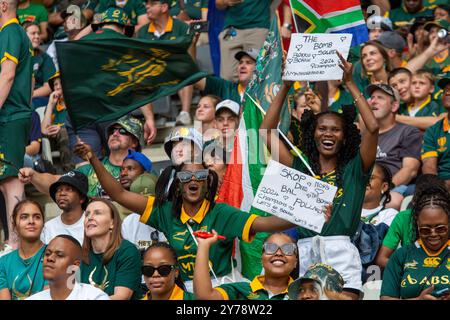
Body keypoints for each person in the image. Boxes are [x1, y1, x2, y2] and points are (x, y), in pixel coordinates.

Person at [73, 142, 303, 291]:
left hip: (219, 290)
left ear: (207, 181)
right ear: (178, 183)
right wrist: (93, 158)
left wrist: (307, 216)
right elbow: (118, 193)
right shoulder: (164, 211)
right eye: (186, 175)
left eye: (200, 175)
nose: (193, 180)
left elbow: (266, 223)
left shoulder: (222, 213)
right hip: (181, 292)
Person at [260, 52, 379, 299]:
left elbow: (373, 127)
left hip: (342, 253)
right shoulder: (300, 167)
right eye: (322, 128)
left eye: (336, 130)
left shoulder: (355, 169)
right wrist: (285, 84)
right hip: (306, 254)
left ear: (345, 136)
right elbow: (266, 131)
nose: (328, 134)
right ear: (312, 134)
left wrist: (349, 82)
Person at [19, 114, 143, 199]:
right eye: (112, 131)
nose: (115, 134)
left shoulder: (142, 172)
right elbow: (55, 181)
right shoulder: (89, 169)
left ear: (134, 142)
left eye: (122, 131)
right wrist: (33, 175)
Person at [0, 0, 34, 249]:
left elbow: (8, 74)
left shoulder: (10, 30)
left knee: (10, 182)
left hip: (9, 114)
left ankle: (15, 244)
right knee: (6, 182)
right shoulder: (16, 32)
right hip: (14, 113)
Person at [380, 185, 450, 300]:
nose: (433, 234)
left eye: (440, 228)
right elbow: (386, 298)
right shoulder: (401, 255)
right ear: (417, 225)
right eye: (425, 229)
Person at [137, 0, 195, 126]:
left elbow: (189, 58)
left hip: (175, 70)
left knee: (186, 72)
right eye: (147, 4)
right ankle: (150, 120)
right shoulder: (142, 32)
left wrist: (193, 42)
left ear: (164, 7)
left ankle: (184, 113)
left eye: (152, 4)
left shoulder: (181, 27)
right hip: (152, 72)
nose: (147, 7)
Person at [194, 232, 297, 300]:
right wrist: (204, 245)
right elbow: (205, 296)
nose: (278, 253)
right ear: (261, 258)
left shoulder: (305, 293)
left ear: (295, 261)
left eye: (288, 249)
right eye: (270, 248)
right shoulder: (240, 290)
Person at [375, 174, 445, 269]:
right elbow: (381, 259)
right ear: (414, 202)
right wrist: (411, 268)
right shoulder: (403, 218)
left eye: (440, 228)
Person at [370, 83, 422, 210]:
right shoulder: (364, 135)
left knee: (393, 200)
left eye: (380, 98)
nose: (373, 101)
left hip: (392, 188)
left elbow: (410, 170)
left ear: (394, 106)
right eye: (372, 97)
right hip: (365, 187)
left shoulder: (408, 132)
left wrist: (383, 189)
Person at [80, 198, 142, 300]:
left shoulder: (127, 251)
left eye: (98, 213)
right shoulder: (79, 254)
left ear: (112, 223)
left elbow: (121, 297)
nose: (90, 217)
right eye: (87, 214)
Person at [27, 235, 110, 300]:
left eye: (59, 255)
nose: (50, 258)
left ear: (75, 265)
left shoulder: (94, 297)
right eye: (47, 254)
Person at [0, 200, 46, 300]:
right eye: (24, 217)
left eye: (37, 217)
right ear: (14, 225)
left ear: (43, 224)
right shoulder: (3, 262)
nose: (31, 221)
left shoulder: (54, 255)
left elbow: (51, 296)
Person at [215, 0, 271, 82]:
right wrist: (225, 1)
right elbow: (218, 3)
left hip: (258, 27)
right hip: (232, 28)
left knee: (258, 73)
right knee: (228, 76)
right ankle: (233, 95)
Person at [43, 171, 89, 245]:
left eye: (69, 189)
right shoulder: (49, 227)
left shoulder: (90, 223)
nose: (62, 193)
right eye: (59, 190)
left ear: (82, 198)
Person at [40, 71, 74, 172]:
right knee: (62, 133)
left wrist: (62, 128)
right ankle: (70, 173)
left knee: (64, 131)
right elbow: (44, 131)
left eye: (61, 83)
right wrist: (50, 104)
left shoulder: (76, 103)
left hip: (75, 137)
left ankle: (72, 172)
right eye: (55, 84)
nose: (58, 87)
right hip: (54, 141)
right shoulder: (52, 106)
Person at [422, 76, 450, 188]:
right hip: (441, 185)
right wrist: (438, 188)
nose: (447, 93)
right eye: (446, 91)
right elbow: (429, 167)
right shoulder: (433, 131)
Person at [22, 21, 56, 108]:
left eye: (38, 33)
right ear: (23, 36)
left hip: (38, 98)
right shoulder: (16, 56)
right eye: (33, 33)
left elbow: (48, 87)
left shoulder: (45, 58)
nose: (37, 36)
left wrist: (28, 96)